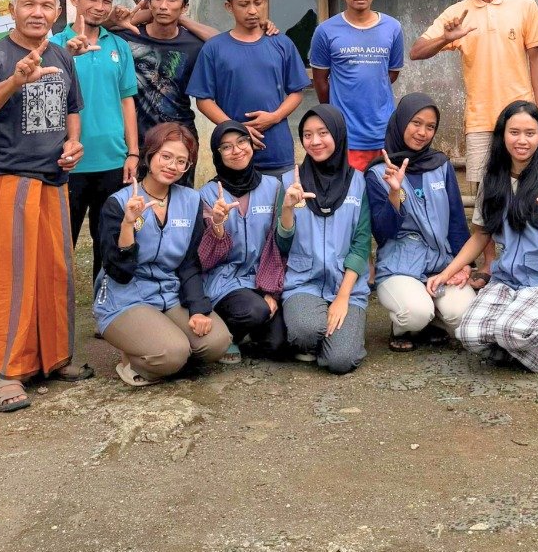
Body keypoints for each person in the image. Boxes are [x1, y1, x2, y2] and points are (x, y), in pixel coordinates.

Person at [0, 0, 88, 412]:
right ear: (12, 9)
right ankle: (7, 371)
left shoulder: (62, 55)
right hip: (8, 180)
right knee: (12, 278)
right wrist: (16, 81)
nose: (38, 12)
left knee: (55, 273)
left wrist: (74, 143)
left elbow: (73, 108)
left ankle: (55, 358)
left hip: (54, 180)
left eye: (46, 5)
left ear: (58, 12)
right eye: (29, 4)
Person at [426, 101, 538, 373]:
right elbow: (481, 235)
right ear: (502, 134)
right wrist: (446, 273)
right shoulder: (492, 180)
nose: (521, 140)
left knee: (510, 331)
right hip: (508, 280)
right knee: (468, 334)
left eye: (530, 133)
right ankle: (528, 345)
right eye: (514, 132)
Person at [94, 123, 232, 384]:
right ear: (150, 155)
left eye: (181, 161)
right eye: (166, 156)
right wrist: (127, 224)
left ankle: (164, 350)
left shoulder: (191, 200)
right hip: (125, 297)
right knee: (172, 353)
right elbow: (118, 272)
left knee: (217, 342)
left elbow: (190, 263)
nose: (172, 166)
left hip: (169, 292)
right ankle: (133, 359)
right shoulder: (119, 202)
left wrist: (198, 309)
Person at [410, 0, 538, 188]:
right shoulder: (457, 13)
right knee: (484, 193)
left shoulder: (524, 4)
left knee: (525, 187)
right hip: (479, 120)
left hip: (521, 115)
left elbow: (537, 60)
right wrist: (445, 38)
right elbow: (416, 51)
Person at [50, 0, 139, 283]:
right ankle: (56, 306)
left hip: (112, 160)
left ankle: (106, 304)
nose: (100, 7)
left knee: (108, 240)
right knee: (61, 243)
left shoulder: (119, 46)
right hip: (67, 161)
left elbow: (127, 100)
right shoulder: (54, 45)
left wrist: (133, 153)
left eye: (107, 0)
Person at [367, 93, 473, 351]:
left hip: (441, 264)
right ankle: (406, 326)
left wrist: (464, 265)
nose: (422, 132)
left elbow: (456, 221)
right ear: (401, 121)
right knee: (415, 312)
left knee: (464, 317)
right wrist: (394, 194)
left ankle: (433, 319)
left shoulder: (441, 165)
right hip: (400, 266)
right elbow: (382, 232)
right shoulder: (378, 172)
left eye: (430, 126)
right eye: (416, 123)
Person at [188, 0, 308, 176]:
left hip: (277, 151)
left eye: (258, 3)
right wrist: (235, 129)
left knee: (280, 197)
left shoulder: (281, 43)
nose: (252, 10)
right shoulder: (214, 48)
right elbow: (203, 100)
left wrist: (275, 117)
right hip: (233, 152)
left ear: (265, 1)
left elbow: (297, 92)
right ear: (229, 6)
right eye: (243, 4)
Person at [280, 106, 371, 374]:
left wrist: (343, 297)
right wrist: (287, 209)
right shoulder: (290, 182)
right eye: (307, 135)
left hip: (346, 286)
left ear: (338, 135)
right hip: (303, 283)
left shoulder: (358, 182)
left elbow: (361, 244)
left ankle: (337, 341)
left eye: (323, 133)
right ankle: (314, 338)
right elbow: (282, 244)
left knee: (341, 361)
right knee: (305, 330)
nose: (315, 141)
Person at [198, 121, 290, 359]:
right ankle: (228, 333)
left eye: (242, 142)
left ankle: (250, 331)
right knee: (254, 311)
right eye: (226, 147)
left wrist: (272, 293)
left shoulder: (273, 187)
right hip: (224, 282)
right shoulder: (207, 195)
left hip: (263, 279)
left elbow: (278, 247)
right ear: (217, 154)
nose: (236, 150)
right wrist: (217, 225)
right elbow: (204, 260)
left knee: (279, 344)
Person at [309, 0, 404, 170]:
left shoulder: (393, 28)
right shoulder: (325, 31)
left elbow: (390, 74)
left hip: (384, 132)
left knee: (385, 187)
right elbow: (320, 82)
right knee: (350, 189)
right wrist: (335, 115)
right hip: (345, 135)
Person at [117, 0, 207, 172]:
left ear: (184, 7)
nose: (163, 6)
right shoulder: (126, 37)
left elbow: (223, 42)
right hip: (133, 142)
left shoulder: (194, 46)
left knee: (178, 192)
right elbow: (95, 26)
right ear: (149, 3)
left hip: (179, 140)